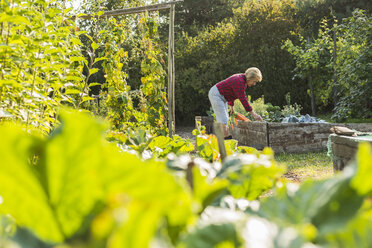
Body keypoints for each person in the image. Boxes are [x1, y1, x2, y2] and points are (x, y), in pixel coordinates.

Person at [208, 67, 263, 139]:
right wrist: (254, 114)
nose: (254, 84)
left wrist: (231, 106)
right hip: (216, 95)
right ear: (251, 77)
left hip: (221, 96)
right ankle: (226, 140)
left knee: (225, 119)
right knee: (223, 119)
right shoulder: (239, 81)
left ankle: (225, 140)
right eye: (254, 81)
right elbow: (243, 99)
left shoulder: (241, 80)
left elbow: (231, 93)